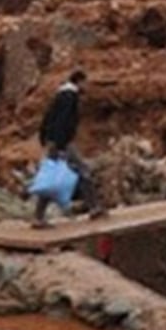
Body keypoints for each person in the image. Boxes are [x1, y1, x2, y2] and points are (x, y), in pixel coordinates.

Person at [35, 70, 105, 228]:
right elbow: (62, 121)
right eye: (86, 83)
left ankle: (38, 216)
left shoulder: (60, 95)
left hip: (55, 141)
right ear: (79, 82)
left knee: (51, 177)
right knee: (83, 171)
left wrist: (45, 138)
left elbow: (47, 118)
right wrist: (59, 145)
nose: (87, 86)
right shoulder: (69, 97)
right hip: (63, 142)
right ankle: (94, 207)